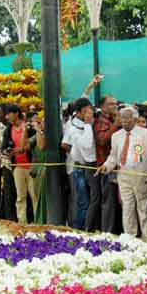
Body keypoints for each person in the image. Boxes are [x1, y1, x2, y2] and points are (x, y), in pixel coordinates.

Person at [98, 106, 147, 239]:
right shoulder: (116, 136)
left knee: (144, 208)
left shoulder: (146, 134)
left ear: (135, 119)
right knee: (127, 208)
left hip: (141, 174)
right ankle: (130, 237)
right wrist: (106, 166)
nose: (124, 121)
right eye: (122, 118)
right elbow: (113, 156)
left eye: (128, 118)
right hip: (123, 175)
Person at [61, 98, 98, 230]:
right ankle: (79, 228)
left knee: (91, 199)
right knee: (83, 201)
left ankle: (87, 226)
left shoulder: (90, 122)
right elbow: (87, 145)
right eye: (85, 111)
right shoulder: (73, 127)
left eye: (90, 111)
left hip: (90, 166)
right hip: (80, 167)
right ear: (78, 112)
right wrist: (76, 153)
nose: (89, 114)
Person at [94, 95, 120, 232]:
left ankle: (114, 230)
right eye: (111, 104)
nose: (115, 106)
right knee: (108, 202)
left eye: (115, 103)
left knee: (116, 202)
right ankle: (107, 232)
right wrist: (116, 125)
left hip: (117, 167)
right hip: (105, 167)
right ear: (103, 106)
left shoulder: (111, 120)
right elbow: (101, 140)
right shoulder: (100, 121)